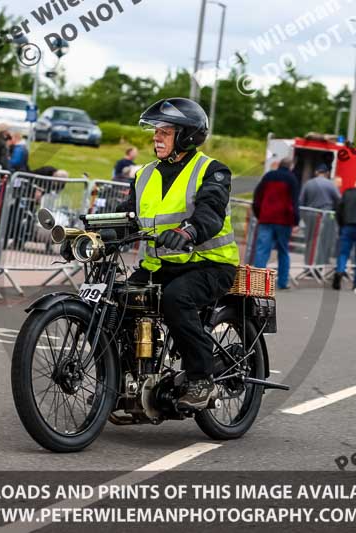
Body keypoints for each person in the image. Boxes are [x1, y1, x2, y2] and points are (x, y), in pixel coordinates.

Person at [113, 97, 239, 410]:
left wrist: (188, 231)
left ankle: (200, 378)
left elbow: (211, 211)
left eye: (165, 131)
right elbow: (126, 217)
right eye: (155, 130)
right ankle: (122, 379)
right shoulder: (144, 175)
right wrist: (91, 235)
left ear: (186, 135)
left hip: (209, 265)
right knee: (118, 300)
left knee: (175, 299)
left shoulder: (212, 171)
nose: (156, 136)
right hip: (162, 264)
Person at [252, 157, 300, 290]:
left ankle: (258, 283)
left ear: (279, 165)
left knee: (262, 250)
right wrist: (296, 221)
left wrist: (258, 214)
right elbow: (294, 202)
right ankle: (282, 282)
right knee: (283, 251)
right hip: (284, 220)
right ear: (291, 166)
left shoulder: (268, 176)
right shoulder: (292, 179)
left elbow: (257, 197)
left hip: (266, 218)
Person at [299, 163, 340, 268]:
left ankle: (308, 264)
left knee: (310, 241)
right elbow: (339, 200)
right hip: (325, 216)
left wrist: (303, 216)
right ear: (327, 173)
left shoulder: (308, 184)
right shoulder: (331, 185)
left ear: (316, 172)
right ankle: (319, 265)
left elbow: (301, 201)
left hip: (310, 215)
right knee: (322, 241)